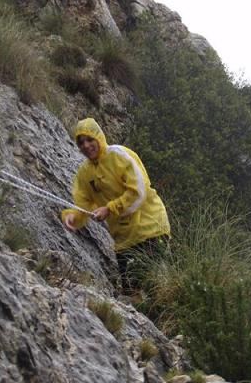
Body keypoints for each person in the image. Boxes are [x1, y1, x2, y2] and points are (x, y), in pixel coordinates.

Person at [61, 118, 170, 291]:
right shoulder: (85, 172)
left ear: (99, 137)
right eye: (81, 142)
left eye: (89, 139)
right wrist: (74, 216)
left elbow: (139, 191)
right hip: (124, 239)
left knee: (158, 287)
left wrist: (110, 208)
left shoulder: (119, 155)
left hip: (151, 229)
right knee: (132, 293)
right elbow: (84, 202)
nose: (86, 146)